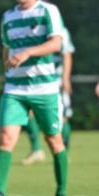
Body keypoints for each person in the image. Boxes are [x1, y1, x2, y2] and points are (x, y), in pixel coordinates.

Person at [0, 0, 69, 196]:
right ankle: (0, 194)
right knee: (6, 138)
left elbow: (56, 43)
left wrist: (28, 52)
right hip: (15, 90)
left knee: (54, 141)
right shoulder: (8, 16)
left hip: (45, 90)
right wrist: (7, 66)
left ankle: (62, 194)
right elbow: (6, 47)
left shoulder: (48, 11)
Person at [21, 26, 75, 165]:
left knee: (61, 118)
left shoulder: (61, 30)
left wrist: (66, 79)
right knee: (29, 113)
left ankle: (64, 153)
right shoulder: (32, 29)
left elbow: (67, 54)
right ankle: (36, 150)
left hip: (55, 80)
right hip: (36, 80)